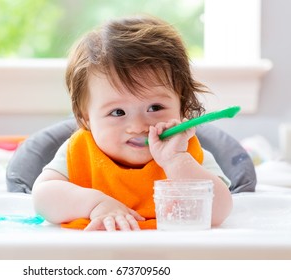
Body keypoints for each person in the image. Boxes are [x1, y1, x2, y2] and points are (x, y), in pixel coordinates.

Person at [32, 14, 233, 231]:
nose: (138, 126)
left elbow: (220, 212)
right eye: (117, 112)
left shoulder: (187, 154)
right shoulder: (80, 151)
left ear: (183, 107)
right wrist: (95, 204)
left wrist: (175, 162)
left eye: (155, 108)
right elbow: (42, 199)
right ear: (85, 118)